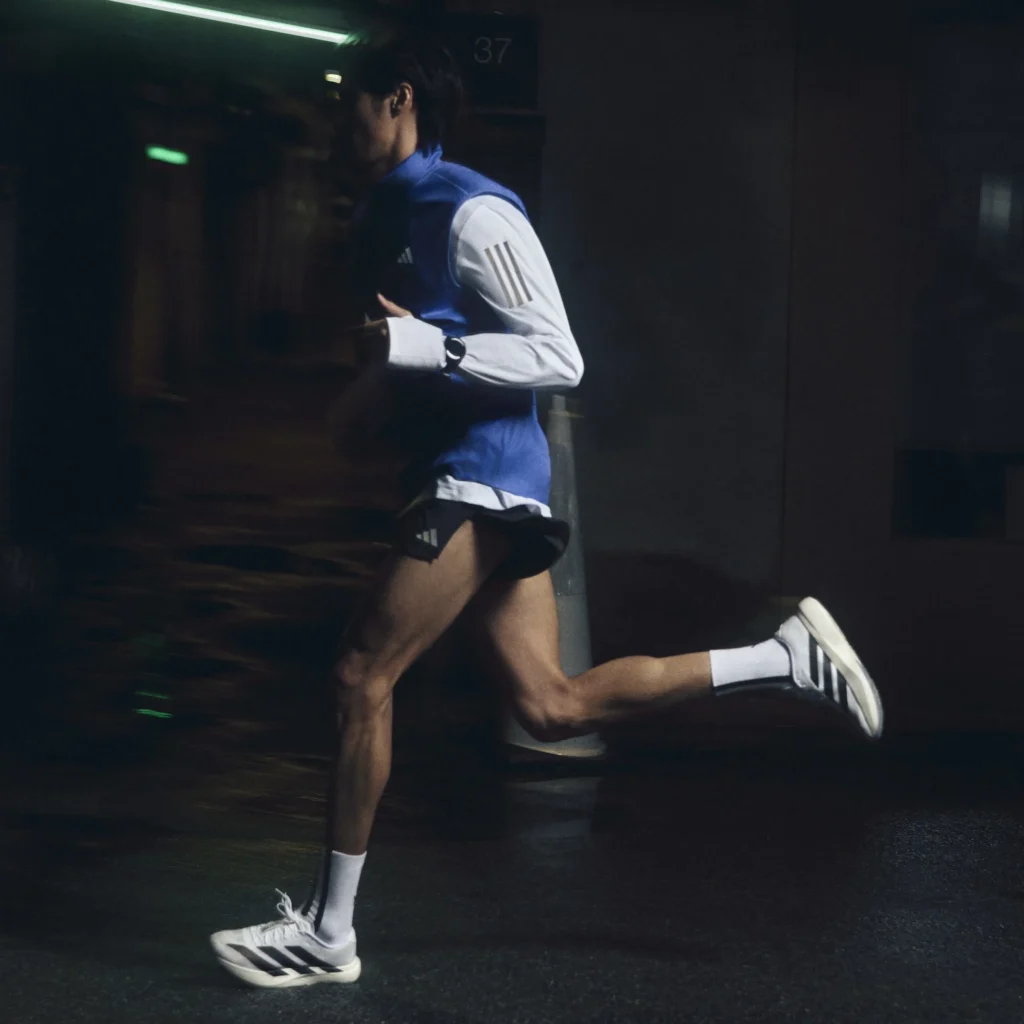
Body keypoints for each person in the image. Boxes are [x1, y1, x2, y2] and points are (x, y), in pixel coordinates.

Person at [209, 30, 884, 989]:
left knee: (362, 674)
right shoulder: (383, 212)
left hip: (482, 474)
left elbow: (560, 356)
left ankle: (329, 933)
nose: (332, 117)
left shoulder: (472, 208)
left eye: (343, 97)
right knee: (552, 707)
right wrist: (369, 395)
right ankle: (785, 657)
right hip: (458, 472)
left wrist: (424, 354)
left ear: (397, 99)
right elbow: (419, 343)